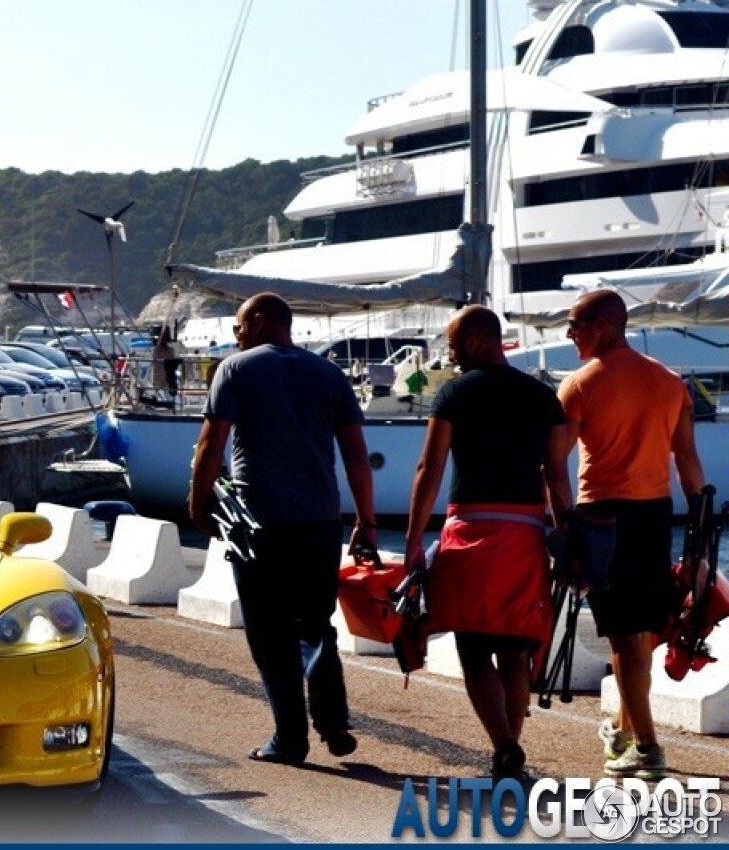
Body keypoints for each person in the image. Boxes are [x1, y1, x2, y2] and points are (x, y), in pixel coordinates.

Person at [188, 292, 377, 767]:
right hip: (319, 523)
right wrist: (366, 522)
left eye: (239, 326)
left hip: (260, 525)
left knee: (270, 634)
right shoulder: (329, 374)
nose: (236, 335)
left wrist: (197, 504)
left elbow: (212, 444)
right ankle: (333, 722)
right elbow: (356, 455)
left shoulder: (235, 369)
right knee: (316, 625)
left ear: (259, 320)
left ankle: (289, 739)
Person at [403, 305, 573, 779]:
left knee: (474, 648)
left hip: (471, 533)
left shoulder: (455, 394)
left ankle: (503, 746)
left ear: (477, 341)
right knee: (515, 650)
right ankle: (509, 748)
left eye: (454, 344)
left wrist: (415, 541)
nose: (450, 354)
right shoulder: (543, 398)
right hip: (523, 536)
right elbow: (558, 478)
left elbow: (428, 470)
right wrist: (565, 534)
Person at [558, 289, 705, 779]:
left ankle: (647, 747)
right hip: (655, 514)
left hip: (602, 514)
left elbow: (551, 460)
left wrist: (560, 521)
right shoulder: (669, 383)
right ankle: (622, 734)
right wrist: (701, 519)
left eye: (575, 323)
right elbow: (687, 459)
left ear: (602, 324)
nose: (569, 332)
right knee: (640, 631)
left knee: (622, 633)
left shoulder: (579, 384)